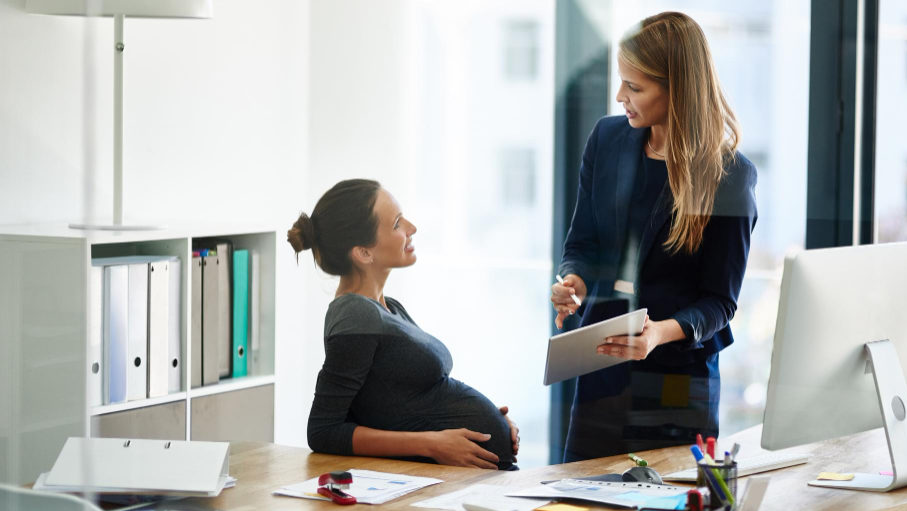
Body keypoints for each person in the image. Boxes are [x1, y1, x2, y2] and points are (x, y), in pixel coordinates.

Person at [551, 12, 758, 462]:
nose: (619, 96)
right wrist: (573, 282)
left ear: (676, 89)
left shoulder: (729, 177)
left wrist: (657, 334)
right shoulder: (607, 139)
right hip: (602, 372)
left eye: (635, 87)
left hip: (679, 381)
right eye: (622, 82)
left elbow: (719, 302)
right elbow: (582, 245)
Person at [289, 179, 519, 470]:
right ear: (363, 252)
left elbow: (397, 402)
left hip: (471, 478)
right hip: (431, 483)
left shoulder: (389, 307)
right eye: (397, 223)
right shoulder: (354, 314)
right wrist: (433, 443)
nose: (411, 228)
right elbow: (324, 430)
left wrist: (492, 420)